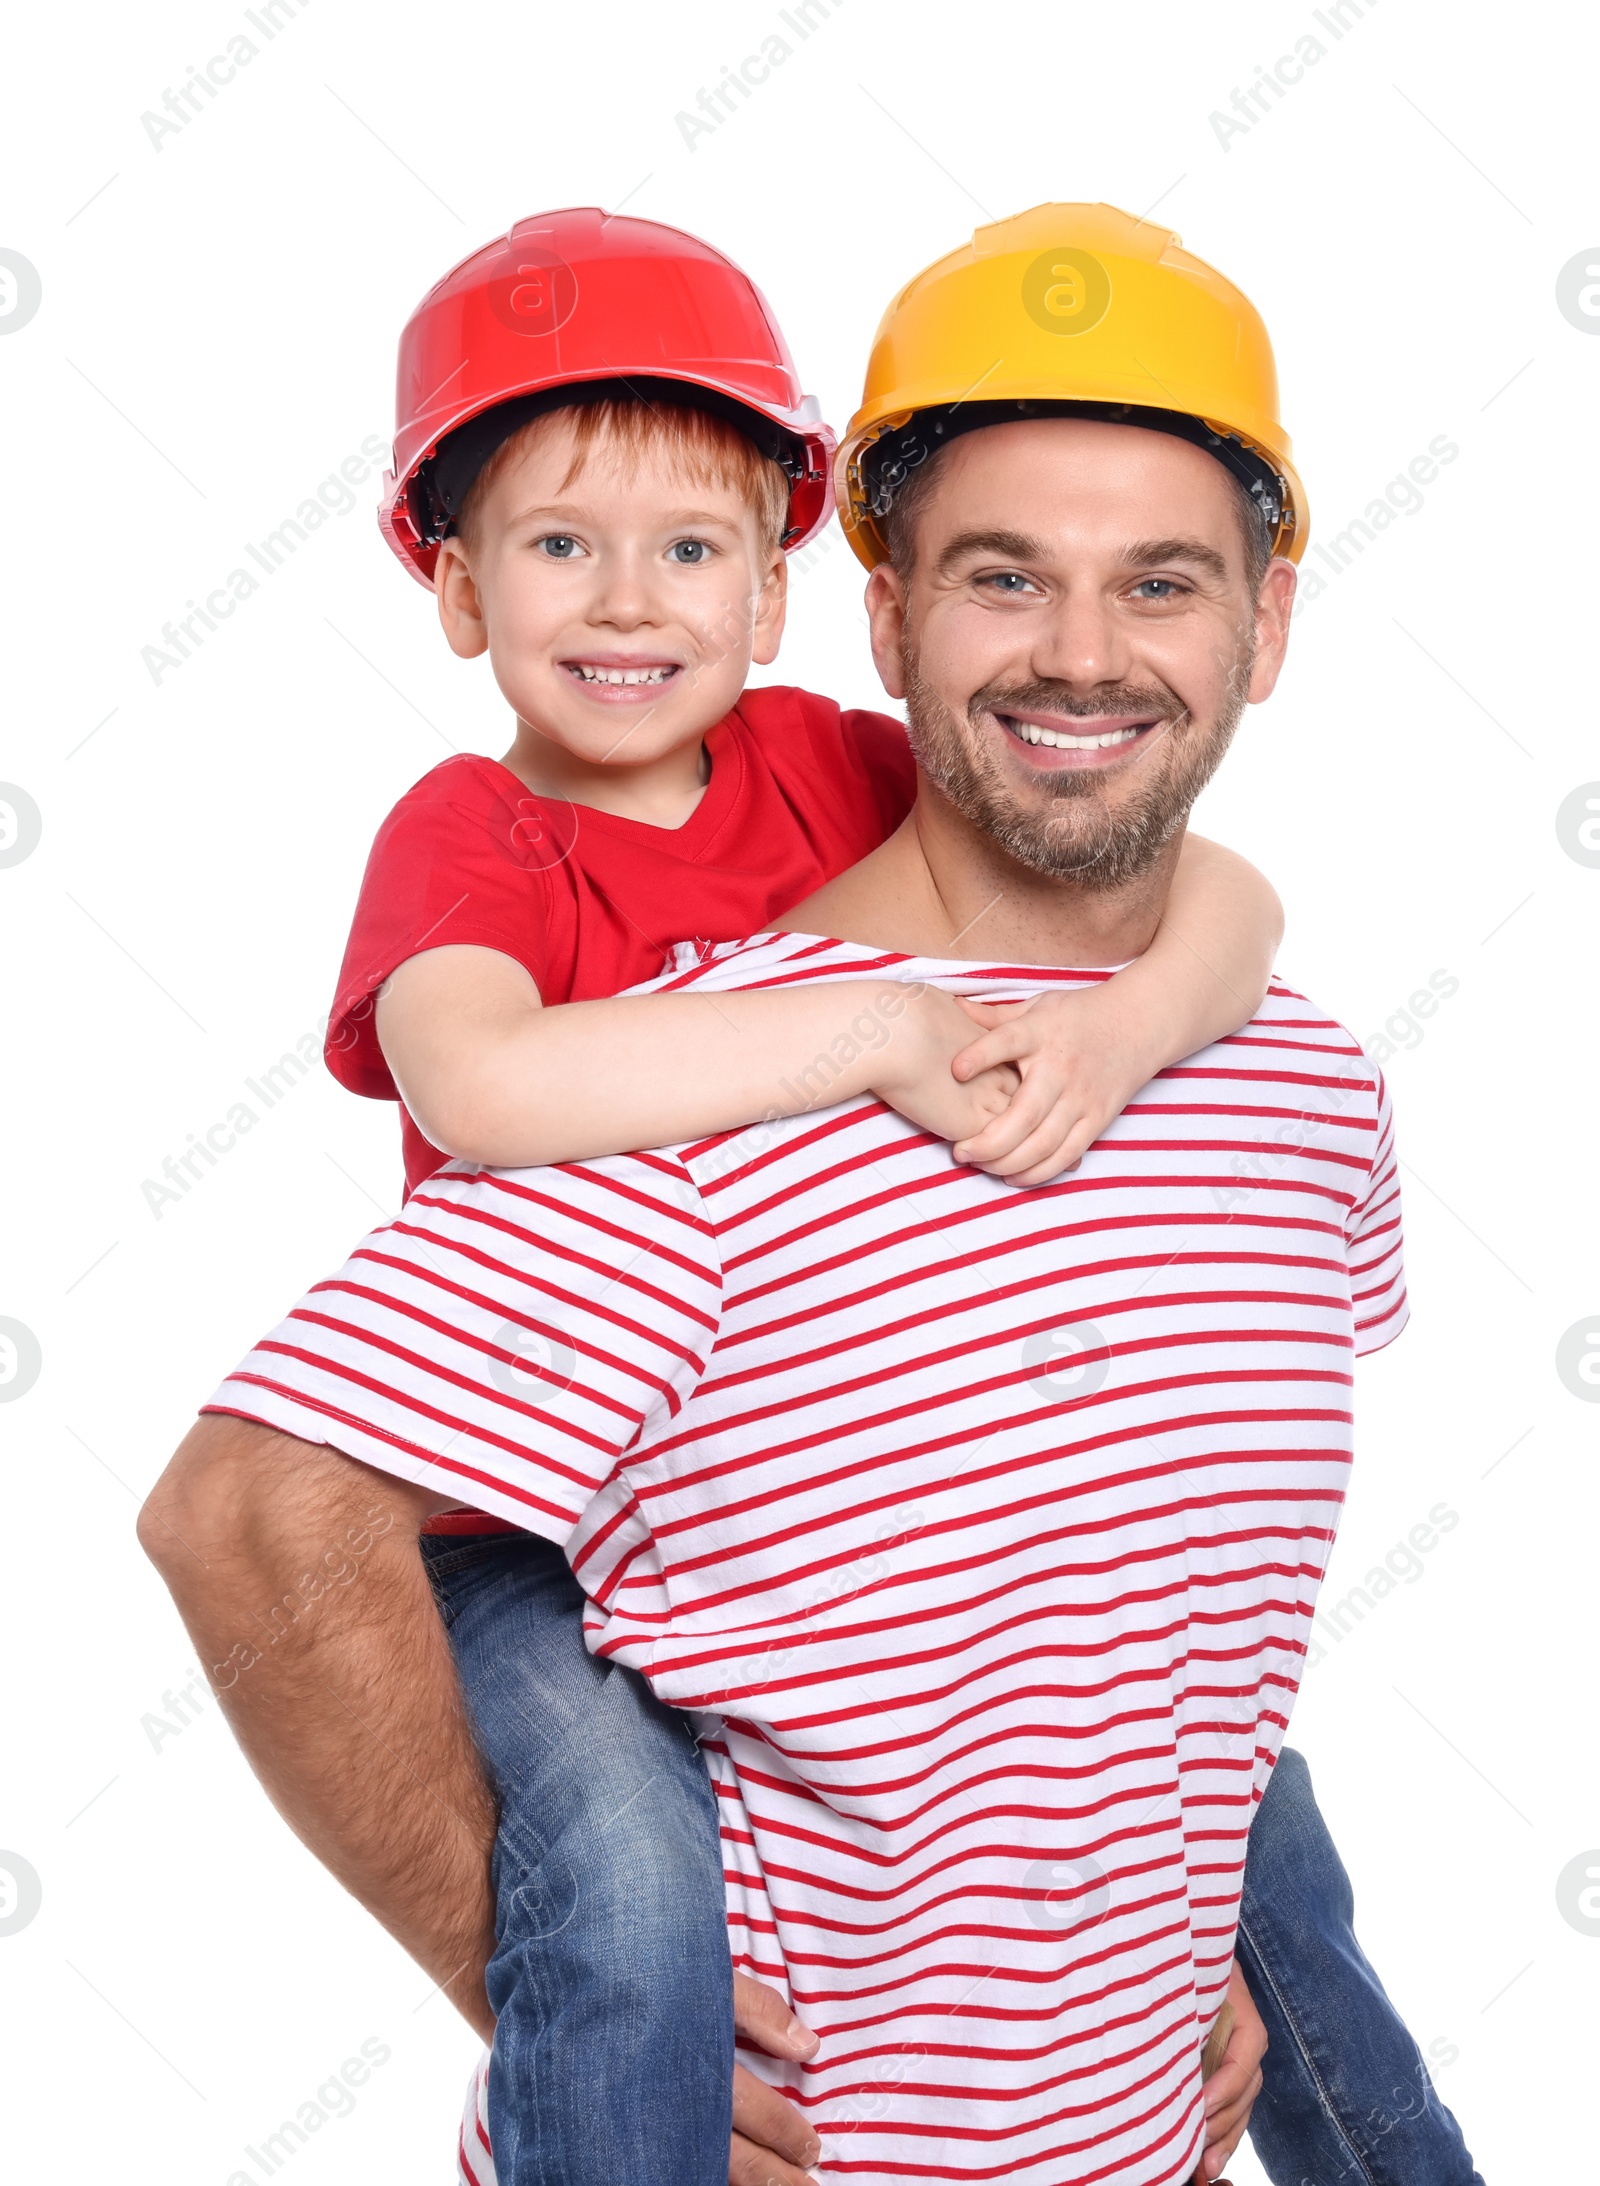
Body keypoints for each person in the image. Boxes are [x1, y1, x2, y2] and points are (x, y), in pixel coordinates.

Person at [139, 206, 1484, 2186]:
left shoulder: (1288, 1073)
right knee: (610, 1885)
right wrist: (581, 2010)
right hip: (551, 1598)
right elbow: (250, 1508)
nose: (1082, 655)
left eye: (1163, 583)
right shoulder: (659, 1061)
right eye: (1003, 576)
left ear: (1265, 626)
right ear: (885, 616)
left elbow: (1131, 1585)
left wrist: (1149, 1914)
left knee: (1273, 1843)